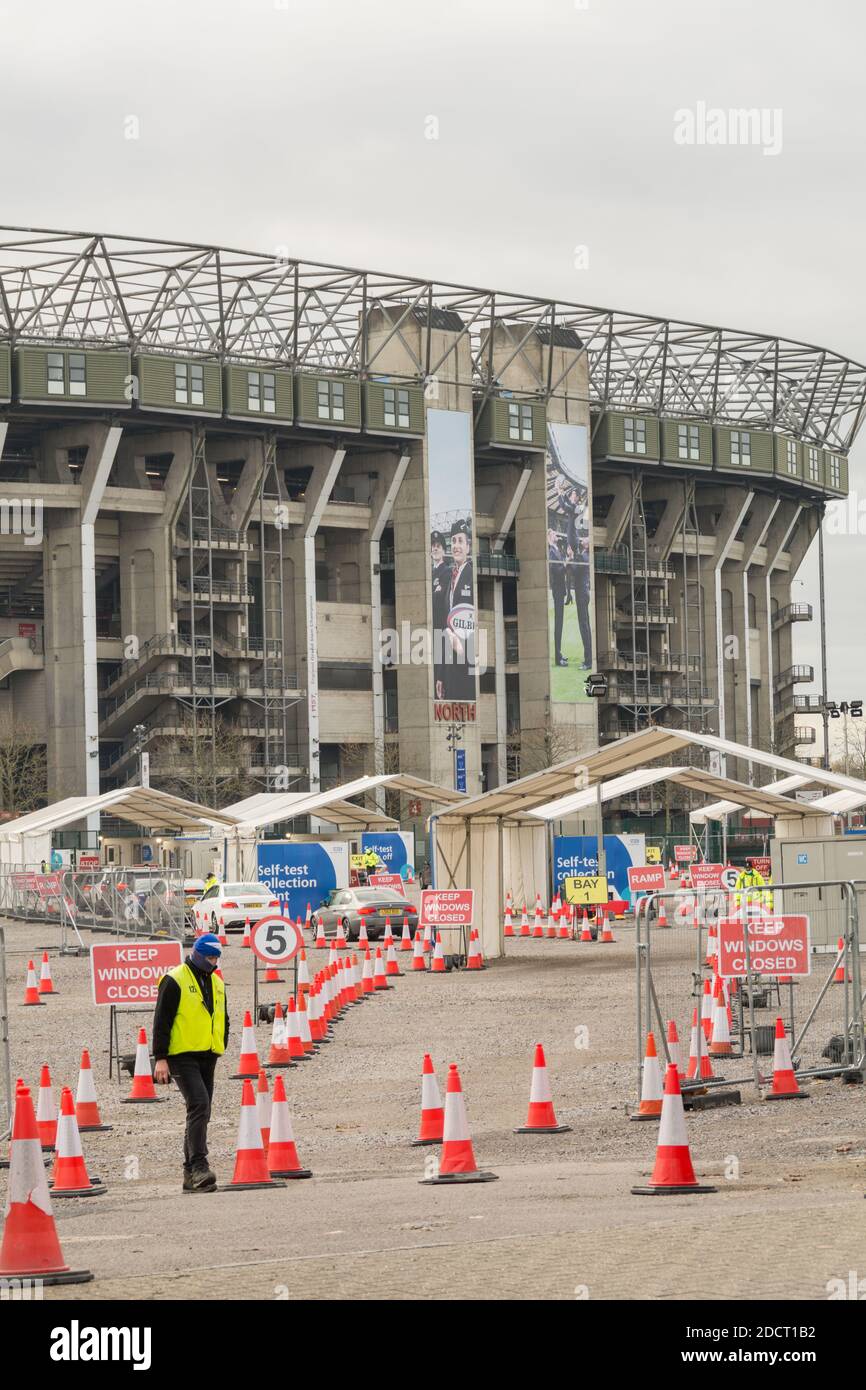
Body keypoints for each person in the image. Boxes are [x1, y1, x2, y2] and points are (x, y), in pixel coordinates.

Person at [153, 933, 229, 1192]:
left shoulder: (217, 982)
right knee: (199, 1104)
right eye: (209, 957)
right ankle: (199, 1166)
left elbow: (222, 1015)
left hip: (208, 1053)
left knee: (201, 1111)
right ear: (197, 954)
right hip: (181, 1054)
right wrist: (160, 1058)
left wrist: (222, 1042)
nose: (213, 961)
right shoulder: (175, 979)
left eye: (216, 957)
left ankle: (190, 1175)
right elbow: (161, 1021)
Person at [548, 528, 568, 667]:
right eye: (554, 533)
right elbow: (557, 570)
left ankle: (559, 653)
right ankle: (557, 657)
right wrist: (567, 562)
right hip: (558, 590)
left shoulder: (556, 550)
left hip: (560, 590)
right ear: (549, 537)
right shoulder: (551, 552)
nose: (556, 535)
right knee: (558, 623)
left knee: (560, 623)